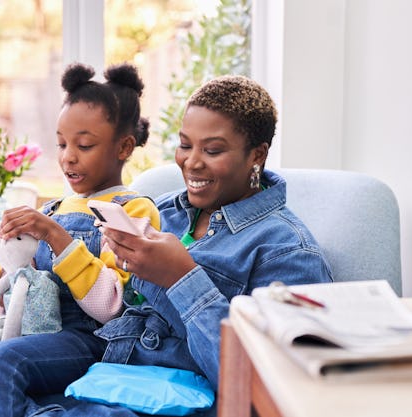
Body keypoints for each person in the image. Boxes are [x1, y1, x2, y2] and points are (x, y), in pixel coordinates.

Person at [35, 75, 334, 416]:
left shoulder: (287, 251)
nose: (191, 162)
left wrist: (181, 278)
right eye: (185, 145)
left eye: (213, 150)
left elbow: (272, 387)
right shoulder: (159, 211)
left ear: (257, 155)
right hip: (100, 379)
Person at [0, 62, 161, 417]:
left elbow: (111, 307)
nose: (68, 156)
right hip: (33, 329)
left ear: (124, 147)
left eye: (84, 145)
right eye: (61, 143)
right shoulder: (56, 207)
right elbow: (18, 300)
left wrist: (56, 236)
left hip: (89, 339)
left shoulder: (132, 209)